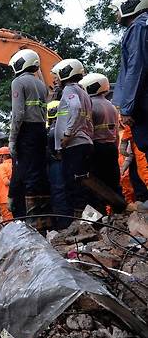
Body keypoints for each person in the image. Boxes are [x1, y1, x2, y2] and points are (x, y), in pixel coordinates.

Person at [8, 49, 51, 230]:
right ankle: (42, 220)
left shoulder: (18, 82)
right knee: (38, 173)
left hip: (26, 131)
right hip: (40, 130)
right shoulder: (41, 84)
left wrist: (12, 138)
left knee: (25, 174)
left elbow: (18, 114)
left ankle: (29, 221)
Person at [52, 59, 94, 220]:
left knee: (74, 187)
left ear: (65, 73)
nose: (55, 79)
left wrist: (67, 134)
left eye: (57, 75)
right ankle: (90, 222)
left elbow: (75, 109)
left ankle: (80, 224)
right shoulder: (83, 91)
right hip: (84, 143)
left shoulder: (69, 89)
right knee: (83, 186)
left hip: (74, 145)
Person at [110, 0, 148, 152]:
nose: (115, 14)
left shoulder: (138, 28)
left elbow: (136, 69)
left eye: (116, 9)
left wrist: (126, 108)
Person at [80, 73, 124, 213]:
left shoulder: (90, 105)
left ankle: (99, 217)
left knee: (96, 185)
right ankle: (120, 213)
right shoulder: (111, 106)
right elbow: (116, 133)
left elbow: (86, 129)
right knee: (113, 183)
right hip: (111, 147)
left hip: (96, 148)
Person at [46, 100, 72, 229]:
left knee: (59, 194)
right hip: (67, 163)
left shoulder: (52, 131)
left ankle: (63, 225)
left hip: (57, 165)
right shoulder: (69, 127)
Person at [0, 146, 14, 221]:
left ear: (3, 156)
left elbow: (6, 182)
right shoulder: (15, 164)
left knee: (8, 221)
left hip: (5, 198)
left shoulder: (1, 166)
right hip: (16, 196)